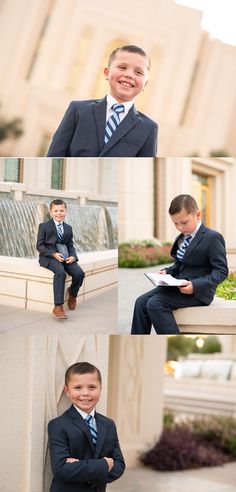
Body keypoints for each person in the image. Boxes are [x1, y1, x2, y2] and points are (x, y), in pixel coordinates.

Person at [131, 194, 228, 334]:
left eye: (184, 222)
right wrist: (167, 272)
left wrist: (195, 286)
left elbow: (221, 271)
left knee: (155, 304)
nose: (180, 227)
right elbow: (180, 264)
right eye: (175, 223)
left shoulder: (212, 238)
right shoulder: (182, 238)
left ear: (198, 215)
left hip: (199, 293)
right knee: (140, 302)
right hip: (177, 285)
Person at [47, 45, 158, 157]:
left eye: (138, 72)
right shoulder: (78, 110)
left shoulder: (148, 128)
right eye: (122, 67)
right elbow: (54, 159)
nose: (129, 75)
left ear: (145, 84)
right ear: (107, 73)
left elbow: (145, 172)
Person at [48, 361, 125, 492]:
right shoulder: (58, 425)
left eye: (92, 387)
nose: (85, 393)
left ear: (101, 388)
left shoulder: (108, 424)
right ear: (67, 390)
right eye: (78, 388)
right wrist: (104, 465)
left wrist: (78, 467)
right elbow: (61, 469)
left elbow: (119, 466)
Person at [36, 199, 85, 319]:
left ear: (65, 211)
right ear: (51, 212)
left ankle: (72, 294)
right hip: (49, 257)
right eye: (56, 211)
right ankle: (58, 306)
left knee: (79, 273)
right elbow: (39, 246)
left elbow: (70, 245)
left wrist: (73, 256)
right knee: (60, 272)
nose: (59, 213)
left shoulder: (68, 228)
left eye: (61, 210)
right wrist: (53, 254)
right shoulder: (44, 226)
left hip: (65, 256)